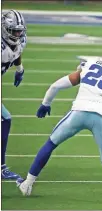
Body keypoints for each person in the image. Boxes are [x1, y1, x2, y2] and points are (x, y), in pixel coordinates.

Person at [16, 49, 102, 202]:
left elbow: (56, 85)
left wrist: (45, 103)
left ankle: (27, 183)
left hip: (78, 112)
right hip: (101, 116)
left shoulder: (90, 65)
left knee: (51, 143)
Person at [1, 10, 27, 180]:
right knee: (4, 119)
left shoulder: (18, 41)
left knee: (5, 119)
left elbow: (16, 51)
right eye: (14, 31)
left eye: (19, 31)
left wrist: (19, 68)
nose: (17, 34)